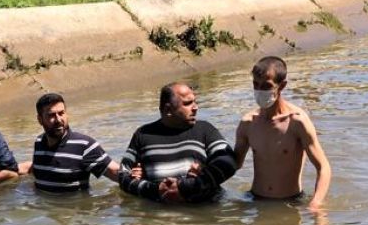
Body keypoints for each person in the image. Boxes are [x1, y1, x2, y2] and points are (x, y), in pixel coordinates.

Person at [234, 56, 332, 208]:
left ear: (282, 86)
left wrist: (316, 203)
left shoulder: (297, 122)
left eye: (266, 86)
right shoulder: (248, 123)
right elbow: (234, 163)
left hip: (291, 202)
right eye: (255, 84)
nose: (259, 90)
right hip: (255, 199)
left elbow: (323, 167)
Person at [119, 83, 237, 203]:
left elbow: (228, 162)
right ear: (168, 110)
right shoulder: (143, 135)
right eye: (187, 103)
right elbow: (123, 176)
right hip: (160, 216)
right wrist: (154, 189)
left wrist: (189, 185)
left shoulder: (205, 130)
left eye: (195, 102)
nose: (195, 107)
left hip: (204, 210)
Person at [18, 93, 121, 192]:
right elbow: (43, 168)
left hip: (74, 209)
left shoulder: (84, 145)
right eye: (51, 115)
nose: (58, 119)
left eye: (61, 113)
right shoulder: (39, 142)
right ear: (40, 119)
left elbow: (116, 172)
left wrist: (133, 181)